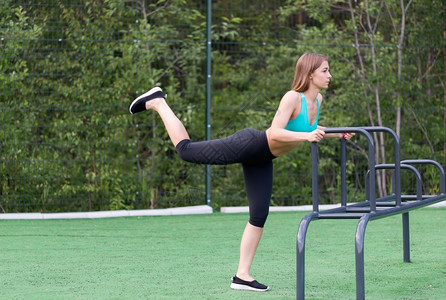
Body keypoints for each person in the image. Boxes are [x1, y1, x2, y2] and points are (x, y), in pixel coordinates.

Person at [129, 52, 354, 292]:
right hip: (250, 144)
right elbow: (276, 132)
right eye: (325, 71)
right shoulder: (292, 97)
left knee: (259, 215)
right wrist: (307, 136)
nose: (330, 75)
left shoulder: (318, 100)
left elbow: (309, 127)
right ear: (310, 74)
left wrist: (335, 132)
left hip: (263, 158)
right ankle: (158, 102)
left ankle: (242, 276)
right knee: (185, 151)